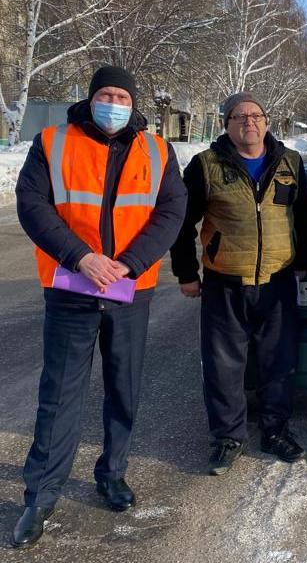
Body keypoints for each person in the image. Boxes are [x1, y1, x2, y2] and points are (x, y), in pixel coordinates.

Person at [12, 65, 187, 548]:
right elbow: (32, 205)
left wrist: (129, 263)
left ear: (134, 104)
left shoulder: (157, 149)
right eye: (106, 94)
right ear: (91, 98)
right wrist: (82, 257)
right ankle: (40, 496)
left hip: (130, 288)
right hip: (73, 284)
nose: (115, 103)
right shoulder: (53, 142)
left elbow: (172, 211)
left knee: (123, 385)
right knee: (60, 392)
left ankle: (112, 472)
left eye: (123, 96)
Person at [170, 92, 307, 475]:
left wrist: (302, 262)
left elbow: (303, 217)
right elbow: (181, 223)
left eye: (255, 115)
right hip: (225, 282)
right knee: (223, 365)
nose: (248, 122)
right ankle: (227, 438)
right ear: (226, 124)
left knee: (278, 362)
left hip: (278, 280)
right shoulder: (206, 165)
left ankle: (275, 430)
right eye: (238, 116)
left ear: (267, 121)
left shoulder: (290, 162)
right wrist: (186, 273)